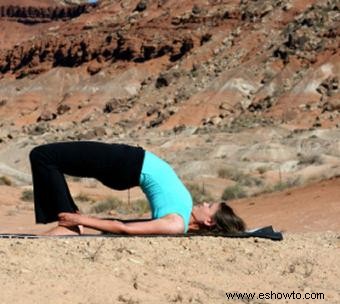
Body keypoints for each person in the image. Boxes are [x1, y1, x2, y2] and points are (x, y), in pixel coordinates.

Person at [29, 141, 245, 235]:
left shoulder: (175, 224)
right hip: (127, 166)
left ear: (209, 220)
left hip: (126, 163)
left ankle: (69, 224)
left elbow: (126, 228)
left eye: (209, 206)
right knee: (50, 159)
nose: (203, 202)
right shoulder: (182, 215)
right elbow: (131, 224)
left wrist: (82, 220)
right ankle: (68, 220)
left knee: (44, 155)